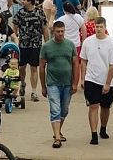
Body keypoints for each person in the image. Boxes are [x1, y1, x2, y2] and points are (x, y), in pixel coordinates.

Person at [40, 21, 80, 149]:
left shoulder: (70, 45)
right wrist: (43, 86)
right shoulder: (46, 46)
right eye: (58, 31)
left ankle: (58, 131)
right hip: (52, 83)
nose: (61, 33)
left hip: (67, 83)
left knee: (64, 110)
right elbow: (41, 67)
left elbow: (75, 64)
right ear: (53, 32)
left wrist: (75, 82)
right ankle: (57, 137)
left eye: (62, 31)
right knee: (55, 109)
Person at [80, 16, 113, 145]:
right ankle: (93, 134)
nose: (98, 29)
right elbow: (83, 60)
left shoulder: (111, 43)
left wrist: (107, 83)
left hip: (107, 80)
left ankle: (103, 128)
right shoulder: (88, 42)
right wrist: (83, 77)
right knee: (93, 106)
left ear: (105, 27)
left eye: (101, 27)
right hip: (92, 79)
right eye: (97, 27)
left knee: (105, 106)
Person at [12, 0, 49, 103]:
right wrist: (14, 42)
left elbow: (44, 29)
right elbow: (14, 28)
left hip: (36, 44)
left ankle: (33, 91)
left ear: (30, 1)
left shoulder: (39, 13)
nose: (22, 1)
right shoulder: (20, 13)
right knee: (21, 67)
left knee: (34, 68)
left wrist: (47, 44)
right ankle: (23, 84)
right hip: (23, 45)